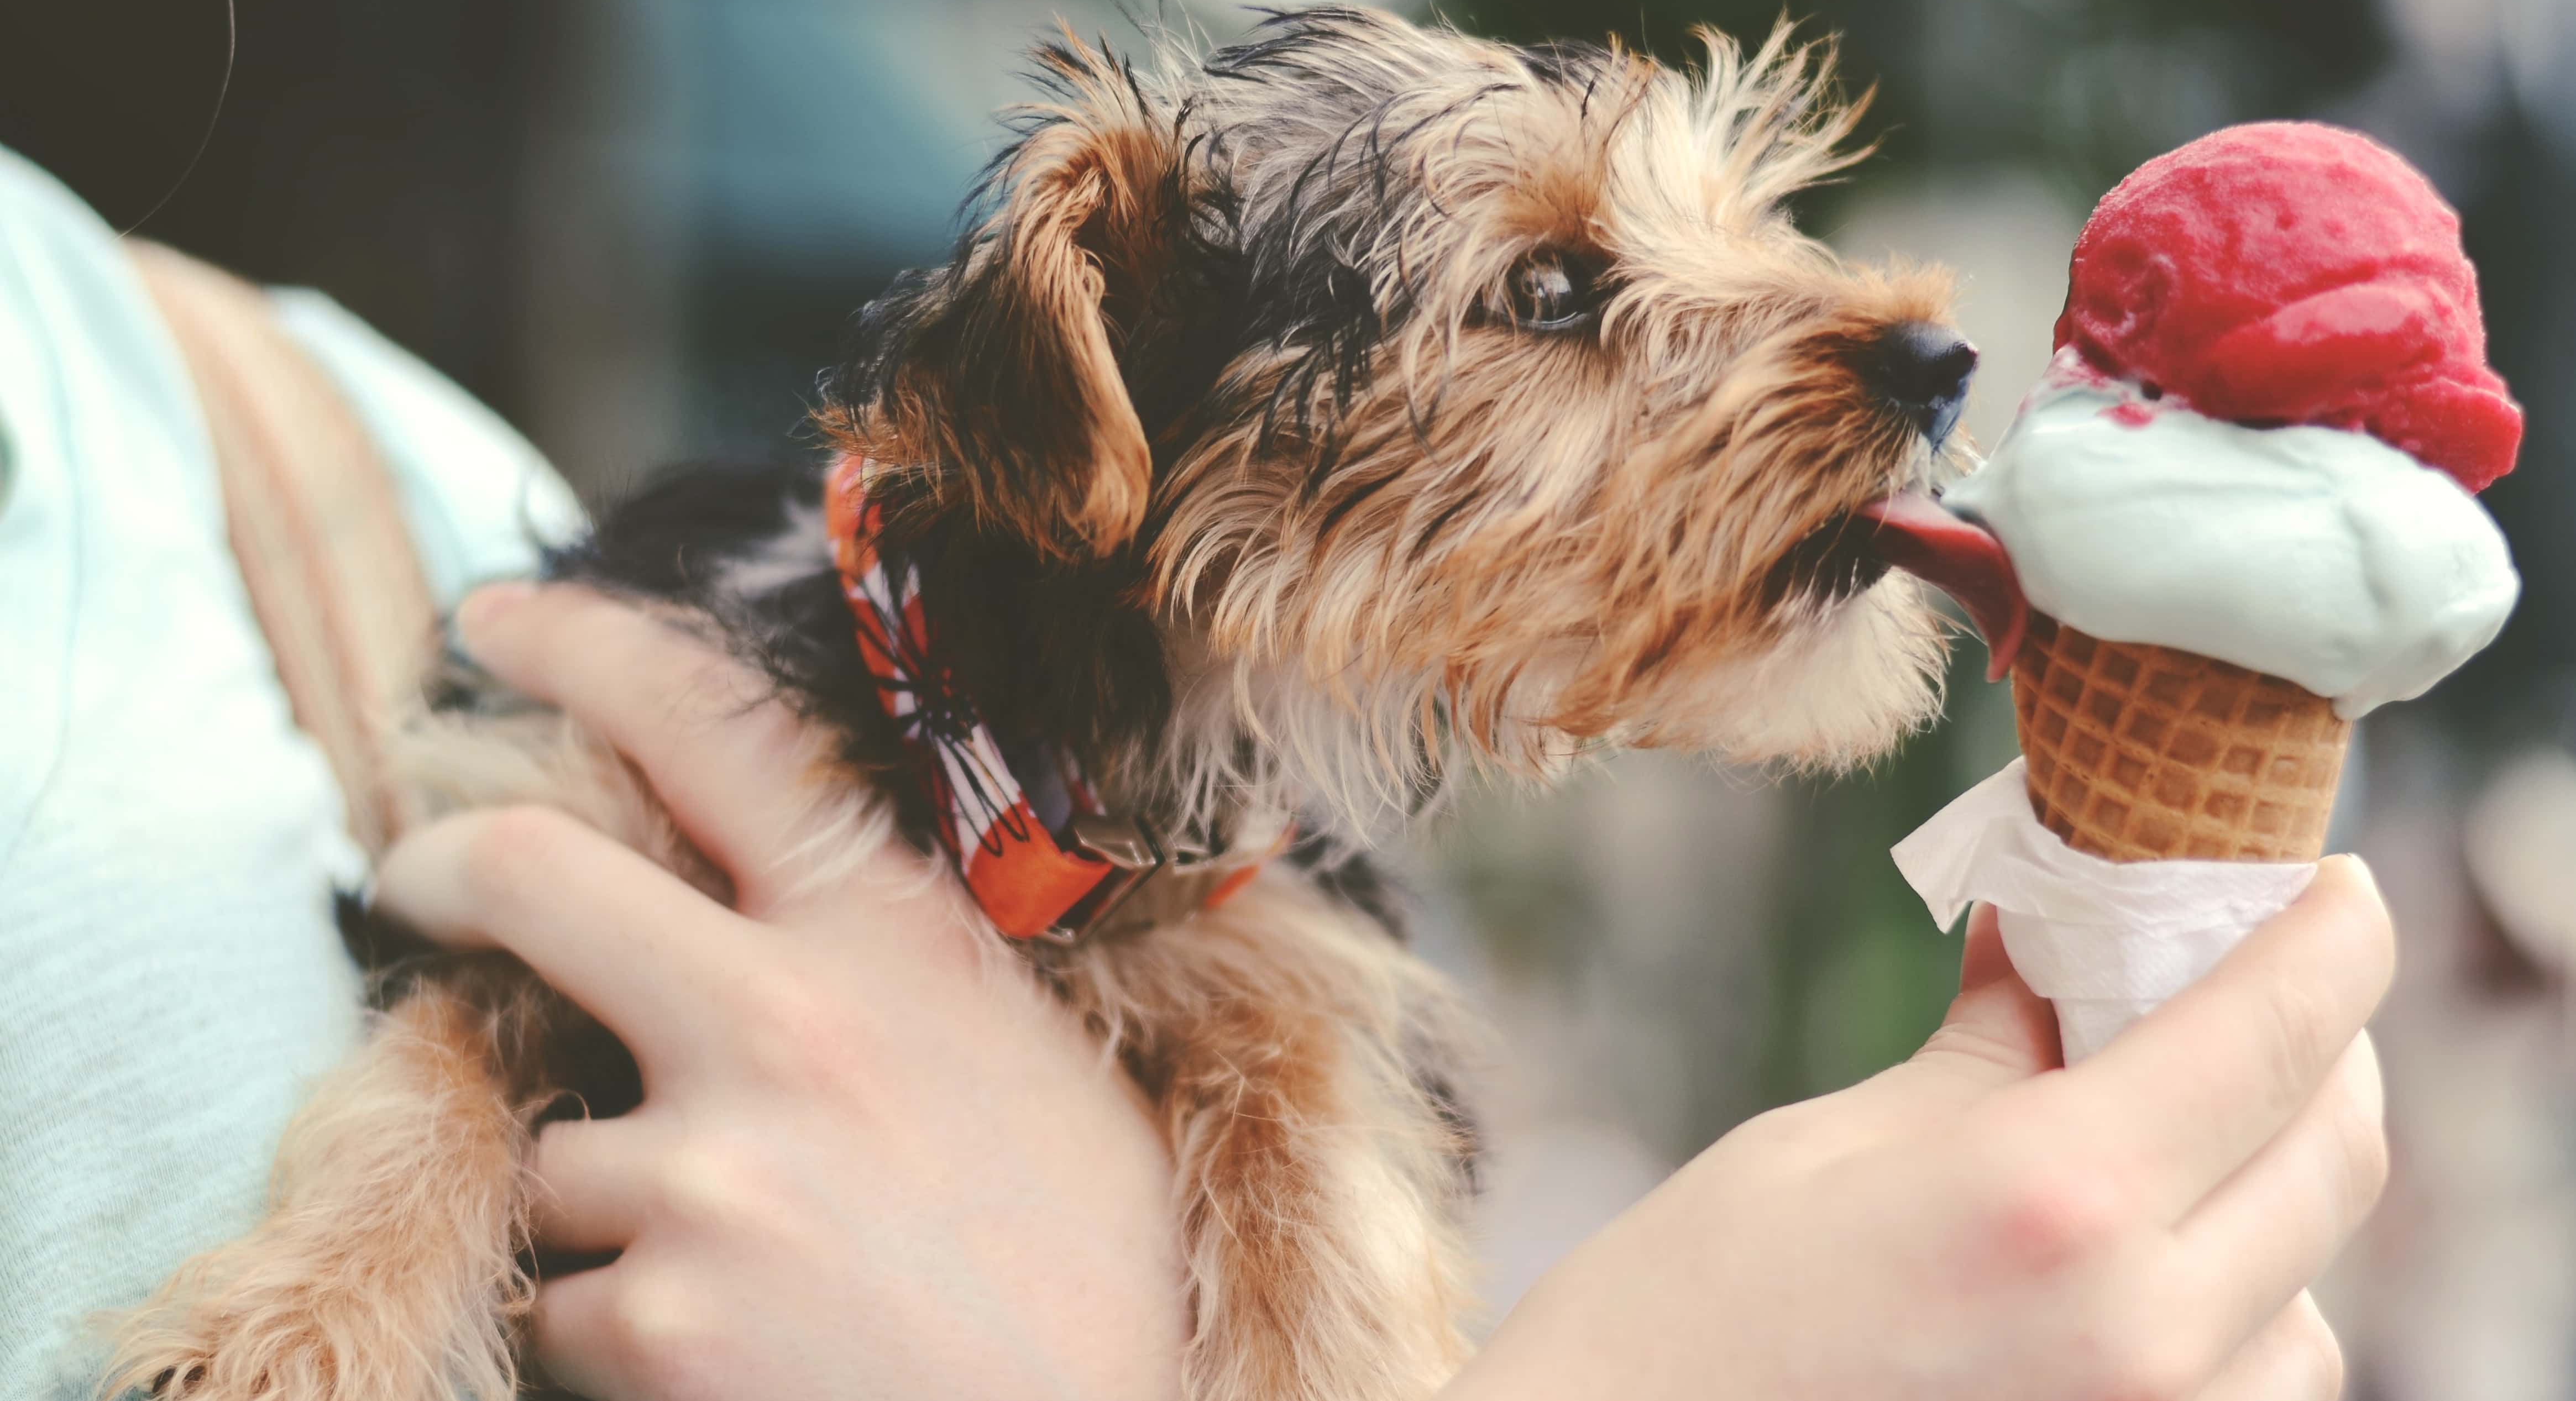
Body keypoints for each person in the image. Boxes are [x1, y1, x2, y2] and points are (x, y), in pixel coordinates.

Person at [0, 141, 2390, 1400]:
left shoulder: (322, 474)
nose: (1877, 339)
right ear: (1107, 406)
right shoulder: (578, 635)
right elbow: (472, 980)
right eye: (1557, 298)